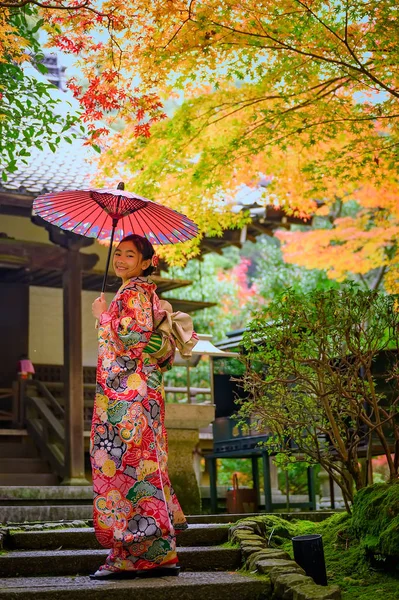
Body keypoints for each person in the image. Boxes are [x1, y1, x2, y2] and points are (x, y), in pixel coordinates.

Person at [90, 233, 194, 580]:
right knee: (143, 468)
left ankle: (132, 556)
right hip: (141, 395)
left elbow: (133, 341)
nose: (120, 260)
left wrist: (103, 317)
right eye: (118, 253)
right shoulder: (142, 293)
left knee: (127, 470)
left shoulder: (134, 293)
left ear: (147, 262)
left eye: (130, 255)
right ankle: (158, 552)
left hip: (129, 398)